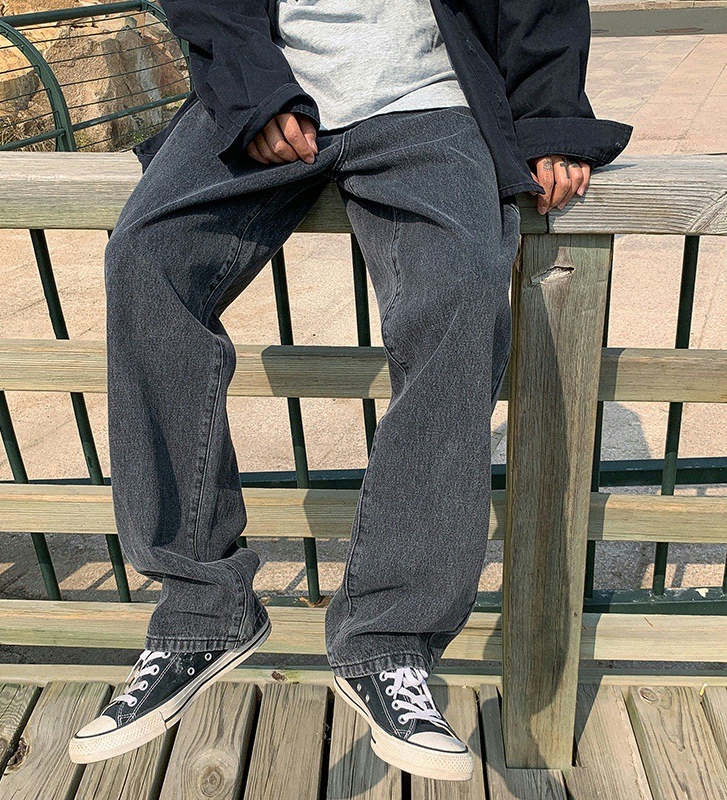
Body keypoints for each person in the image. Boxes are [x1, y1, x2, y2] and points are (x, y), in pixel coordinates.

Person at [68, 0, 632, 781]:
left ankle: (389, 641)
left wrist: (550, 117)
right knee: (144, 261)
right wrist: (253, 90)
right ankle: (200, 612)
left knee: (461, 290)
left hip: (429, 97)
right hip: (267, 87)